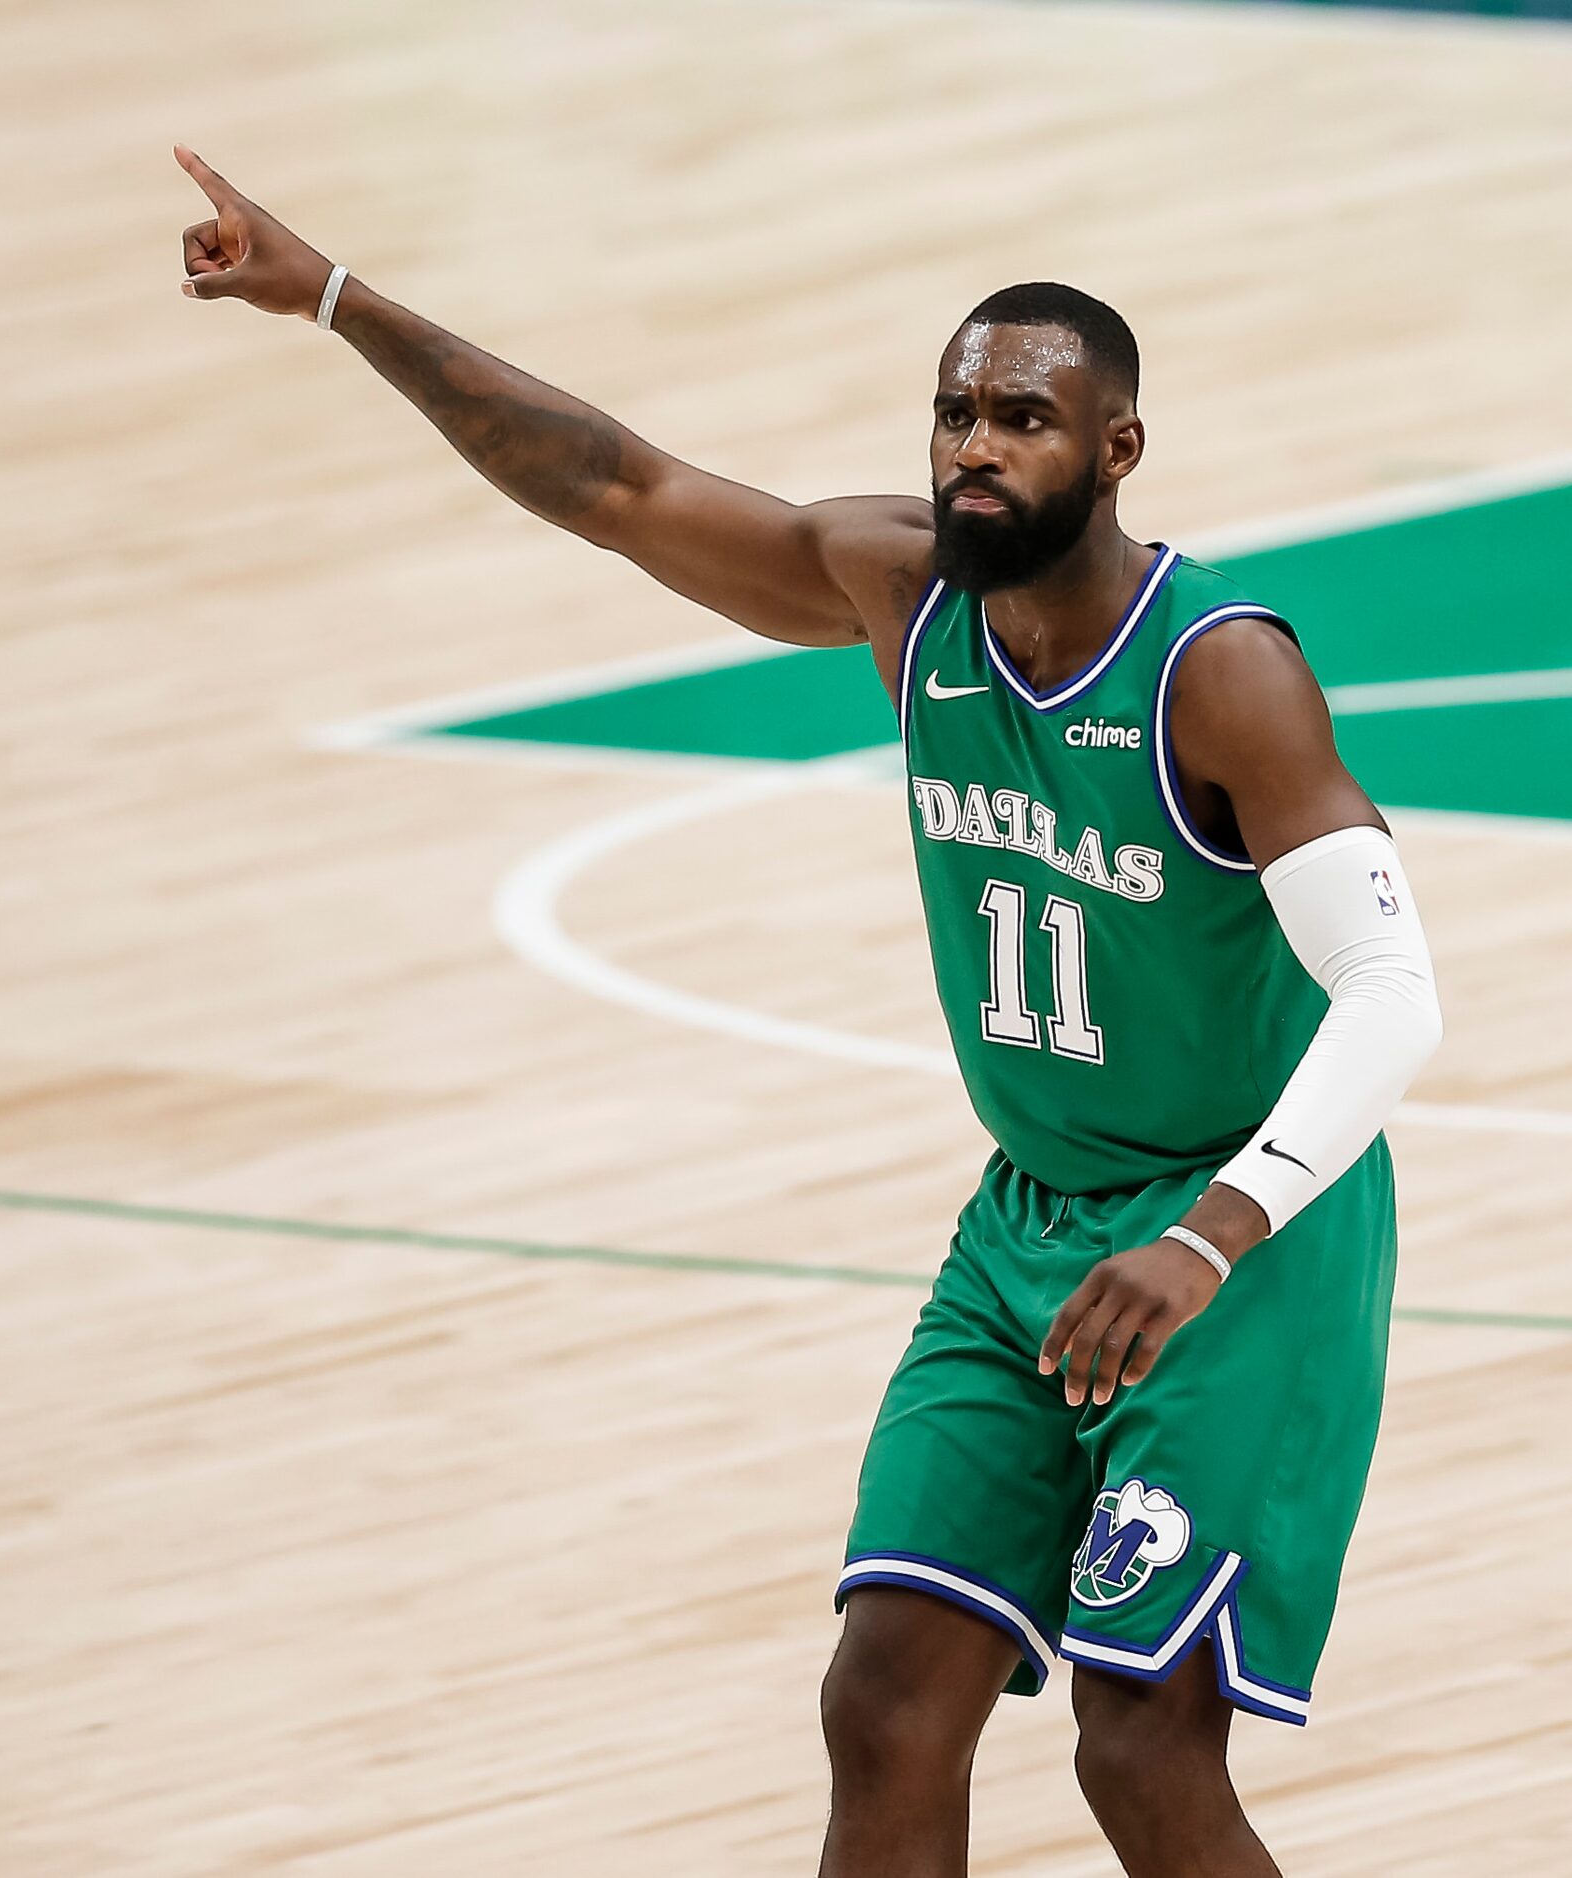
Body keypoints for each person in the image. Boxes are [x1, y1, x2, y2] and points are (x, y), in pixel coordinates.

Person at [174, 145, 1443, 1877]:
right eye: (956, 412)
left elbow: (1394, 992)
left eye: (1025, 417)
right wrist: (335, 298)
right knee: (885, 1696)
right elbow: (613, 486)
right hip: (1030, 1227)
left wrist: (1210, 1240)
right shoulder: (901, 588)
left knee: (1140, 1748)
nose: (978, 445)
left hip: (1246, 1231)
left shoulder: (1220, 670)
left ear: (1118, 450)